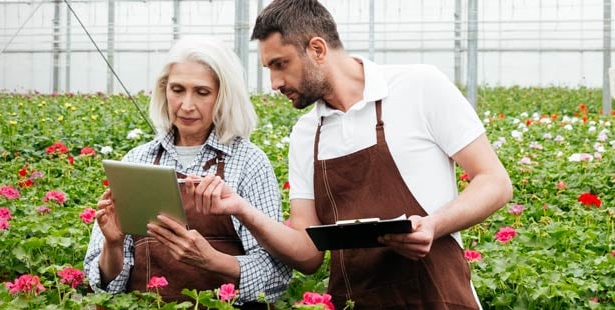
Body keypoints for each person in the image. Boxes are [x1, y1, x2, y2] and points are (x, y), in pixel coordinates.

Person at [188, 0, 514, 308]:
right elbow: (308, 254)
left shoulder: (419, 86)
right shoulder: (307, 133)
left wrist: (433, 225)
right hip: (354, 301)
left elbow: (495, 182)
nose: (274, 82)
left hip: (437, 296)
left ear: (317, 49)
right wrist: (241, 209)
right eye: (269, 68)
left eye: (280, 64)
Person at [83, 37, 290, 308]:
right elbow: (103, 283)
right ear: (163, 90)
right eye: (177, 90)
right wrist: (113, 244)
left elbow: (276, 277)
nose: (186, 105)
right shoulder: (138, 160)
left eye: (202, 92)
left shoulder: (249, 162)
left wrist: (213, 260)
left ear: (223, 96)